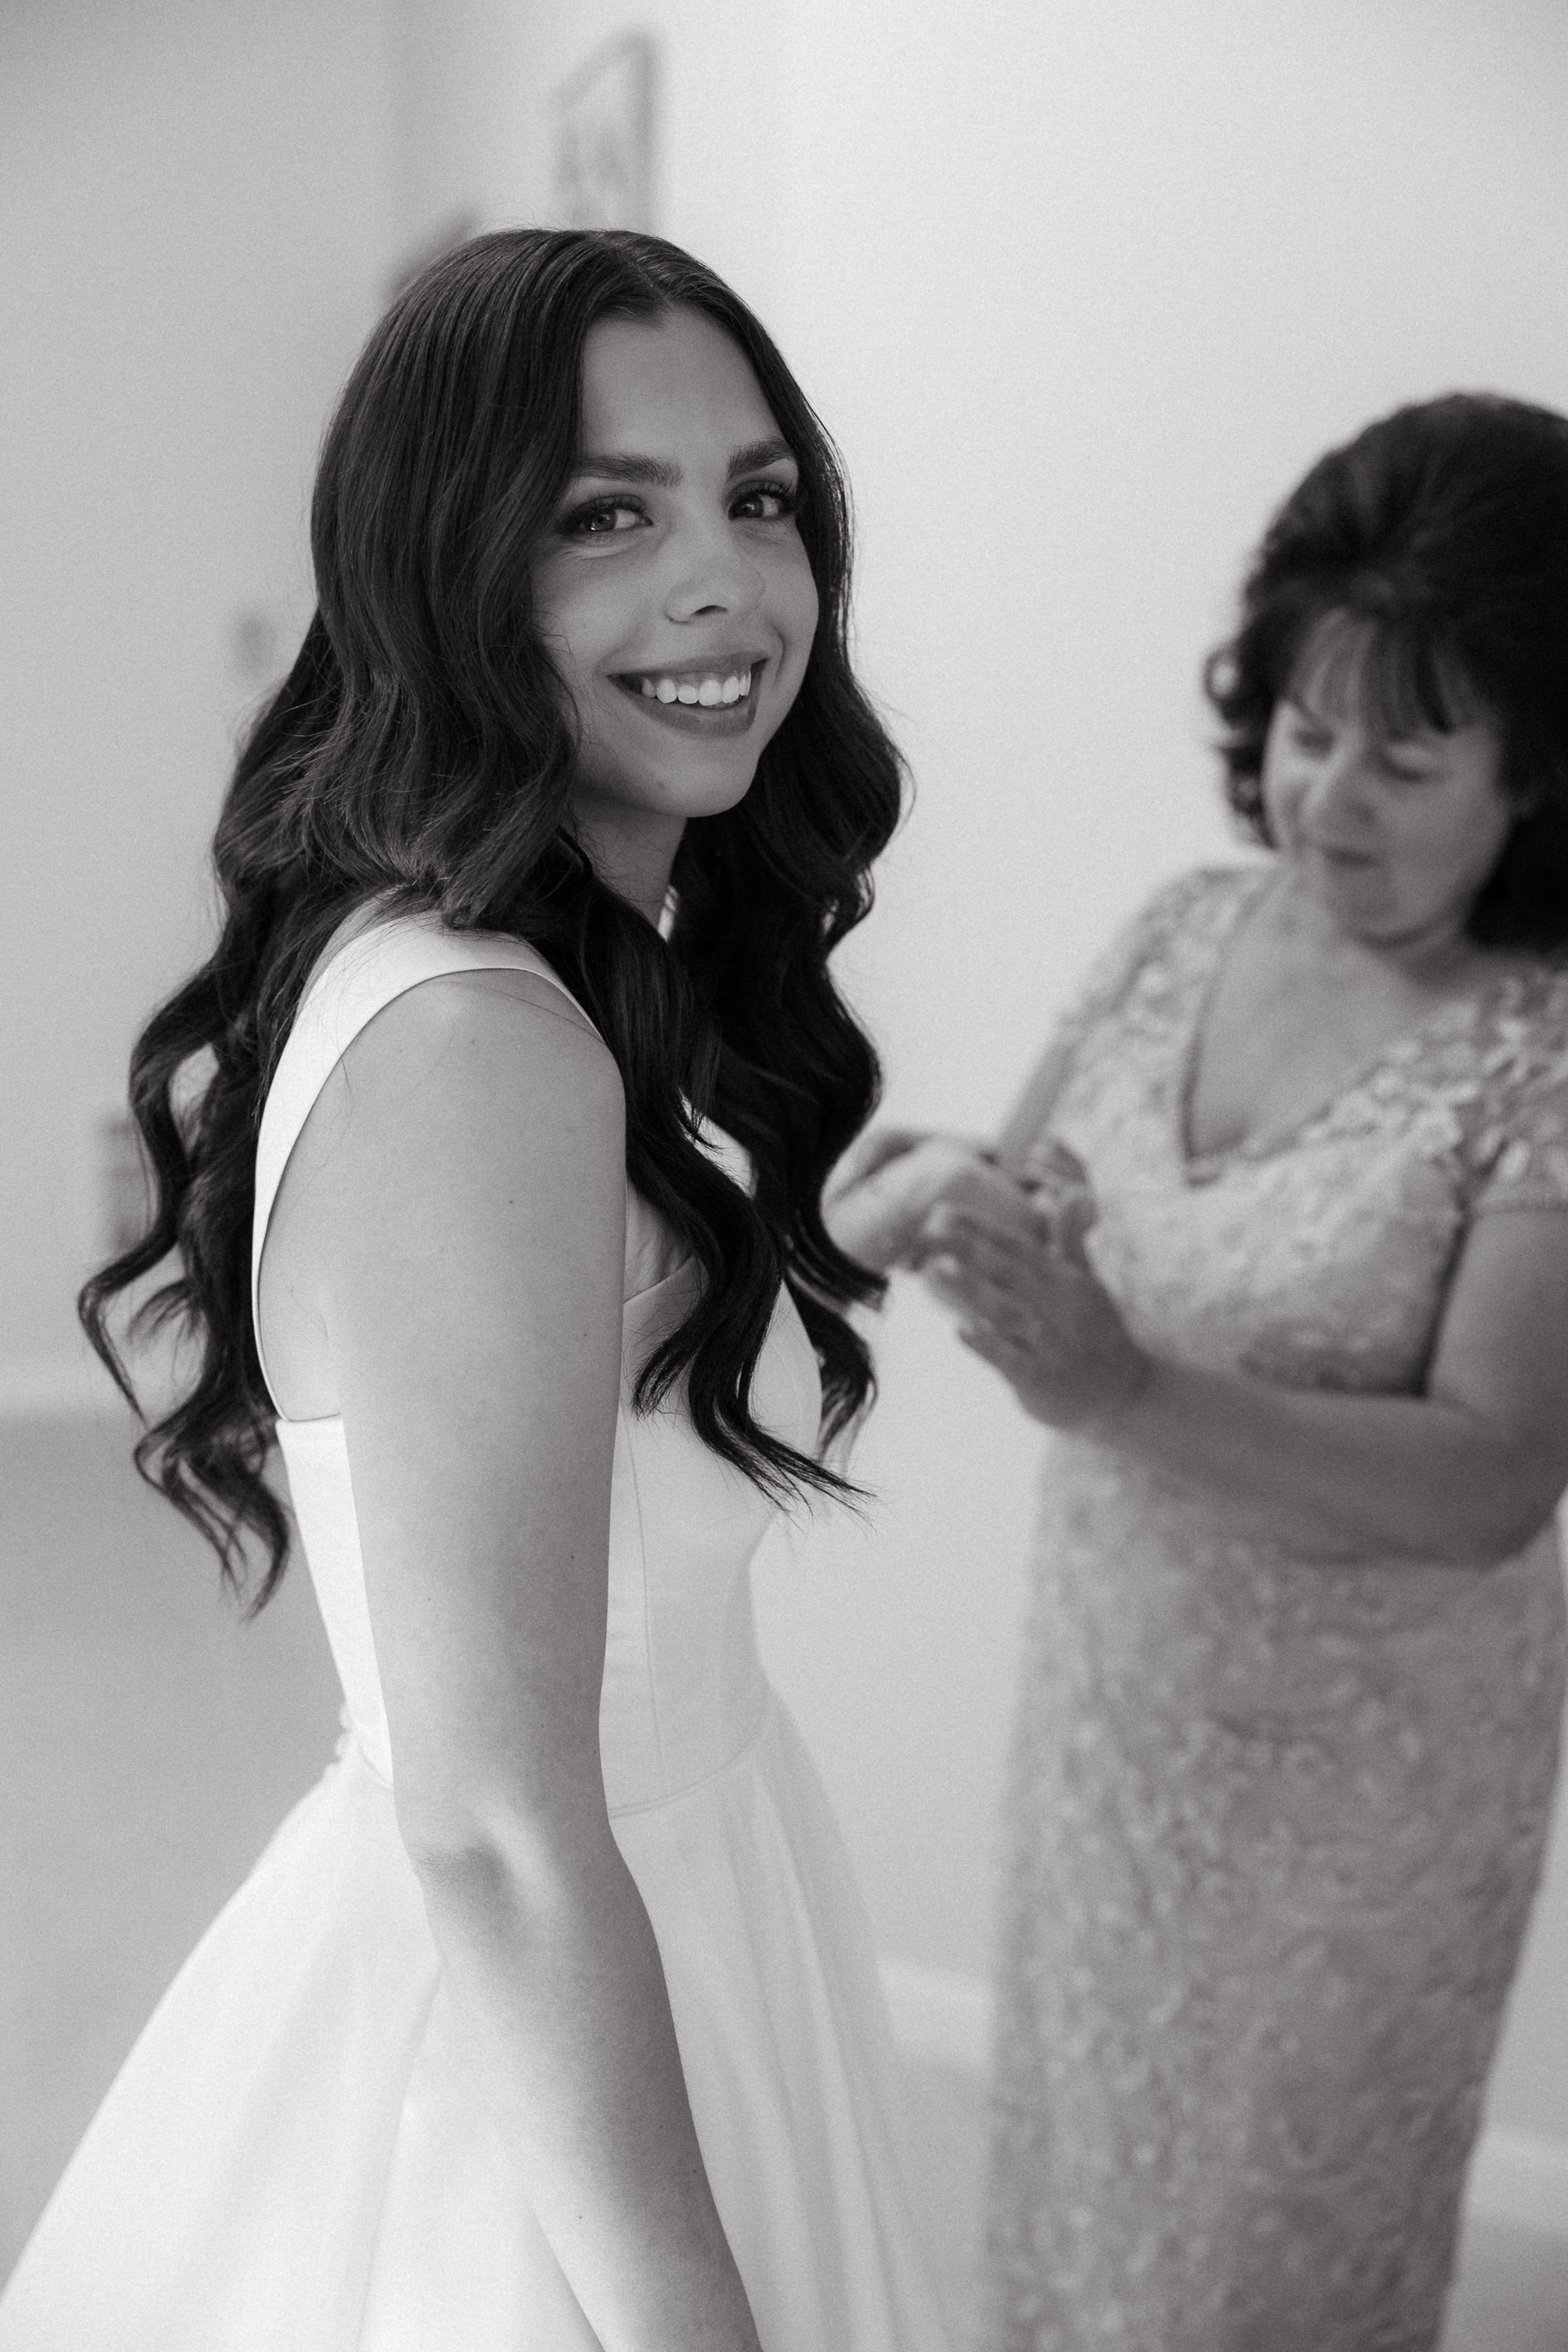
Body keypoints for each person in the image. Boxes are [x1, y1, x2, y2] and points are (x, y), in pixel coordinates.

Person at [0, 228, 951, 2352]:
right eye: (610, 515)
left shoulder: (563, 970)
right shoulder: (483, 1044)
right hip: (547, 1972)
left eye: (759, 496)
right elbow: (505, 1830)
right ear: (454, 573)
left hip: (688, 1889)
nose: (727, 585)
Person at [830, 393, 1568, 2350]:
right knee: (1082, 2198)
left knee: (1262, 2266)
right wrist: (911, 1202)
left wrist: (1118, 1391)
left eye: (1407, 757)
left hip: (1375, 1799)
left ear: (1542, 780)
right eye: (1308, 731)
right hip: (1116, 1713)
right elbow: (1035, 1190)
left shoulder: (1541, 1048)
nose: (1330, 799)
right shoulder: (1178, 933)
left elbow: (1498, 1475)